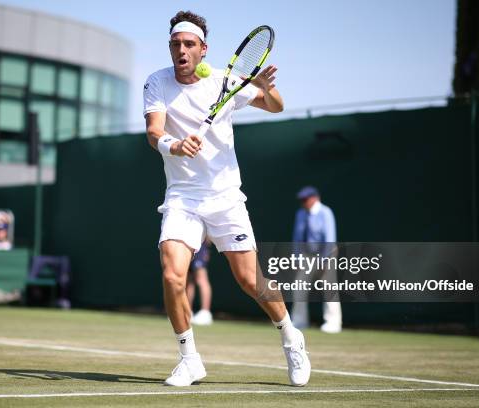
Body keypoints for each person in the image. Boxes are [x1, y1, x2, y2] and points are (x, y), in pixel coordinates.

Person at [143, 10, 310, 387]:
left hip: (224, 197)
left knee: (250, 280)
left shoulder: (225, 80)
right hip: (183, 196)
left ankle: (290, 337)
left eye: (188, 44)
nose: (181, 51)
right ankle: (189, 360)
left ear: (203, 49)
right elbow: (154, 132)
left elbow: (276, 105)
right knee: (172, 275)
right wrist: (174, 144)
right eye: (175, 44)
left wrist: (264, 86)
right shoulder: (156, 82)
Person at [291, 186, 342, 333]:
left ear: (315, 198)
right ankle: (299, 321)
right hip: (307, 256)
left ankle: (333, 323)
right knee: (299, 287)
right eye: (301, 200)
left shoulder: (326, 212)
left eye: (305, 199)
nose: (303, 202)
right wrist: (296, 258)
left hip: (327, 253)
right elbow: (297, 238)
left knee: (329, 288)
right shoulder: (300, 214)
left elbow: (329, 238)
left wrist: (324, 261)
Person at [186, 238, 213, 325]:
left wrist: (206, 247)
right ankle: (187, 312)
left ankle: (205, 313)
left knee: (201, 280)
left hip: (200, 246)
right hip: (186, 244)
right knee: (188, 281)